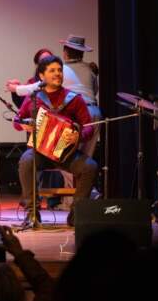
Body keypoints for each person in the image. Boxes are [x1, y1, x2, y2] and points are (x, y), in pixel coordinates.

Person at [13, 55, 98, 227]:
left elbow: (88, 127)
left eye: (59, 70)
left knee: (90, 167)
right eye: (52, 70)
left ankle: (76, 214)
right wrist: (23, 126)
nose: (57, 73)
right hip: (41, 152)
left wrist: (77, 135)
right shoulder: (34, 98)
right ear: (42, 76)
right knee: (26, 161)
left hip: (66, 153)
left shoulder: (74, 98)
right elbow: (17, 120)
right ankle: (32, 214)